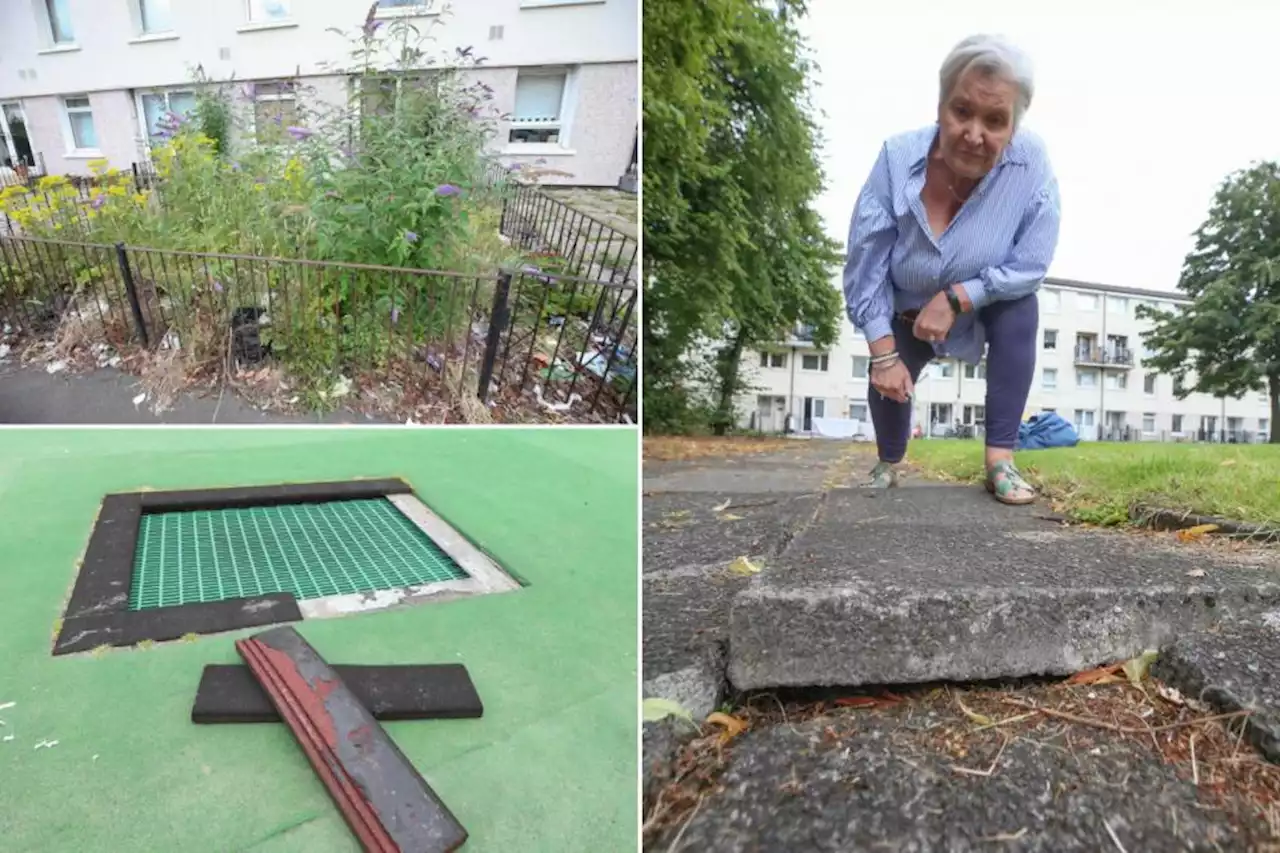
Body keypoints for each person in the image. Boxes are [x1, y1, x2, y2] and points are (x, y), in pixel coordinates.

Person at [843, 33, 1061, 505]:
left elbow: (1031, 264)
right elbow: (866, 264)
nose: (974, 134)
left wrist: (959, 297)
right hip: (908, 307)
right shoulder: (896, 159)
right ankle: (889, 461)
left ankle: (1000, 461)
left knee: (1021, 308)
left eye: (996, 120)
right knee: (888, 383)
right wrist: (883, 356)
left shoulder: (1032, 165)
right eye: (962, 111)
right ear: (941, 104)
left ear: (1014, 126)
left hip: (988, 301)